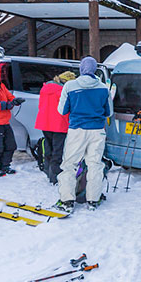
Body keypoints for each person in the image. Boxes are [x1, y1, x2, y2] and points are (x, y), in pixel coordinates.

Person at [57, 58, 110, 211]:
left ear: (80, 69)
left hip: (77, 130)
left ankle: (67, 201)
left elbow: (62, 111)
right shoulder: (103, 88)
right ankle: (93, 200)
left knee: (69, 165)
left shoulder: (70, 85)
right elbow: (109, 112)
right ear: (94, 70)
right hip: (97, 130)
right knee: (95, 165)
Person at [36, 70, 76, 185]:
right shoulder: (64, 91)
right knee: (58, 151)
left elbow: (41, 105)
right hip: (59, 124)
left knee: (49, 149)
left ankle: (48, 172)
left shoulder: (45, 88)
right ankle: (55, 176)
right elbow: (68, 108)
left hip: (45, 123)